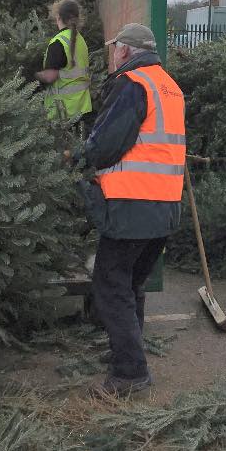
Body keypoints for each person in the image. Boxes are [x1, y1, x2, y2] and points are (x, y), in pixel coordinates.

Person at [76, 23, 185, 396]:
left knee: (110, 286)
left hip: (131, 204)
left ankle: (129, 373)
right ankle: (127, 353)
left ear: (124, 50)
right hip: (164, 205)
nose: (112, 55)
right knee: (131, 284)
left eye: (114, 49)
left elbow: (106, 143)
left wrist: (77, 157)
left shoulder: (133, 84)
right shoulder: (169, 86)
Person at [35, 0, 92, 123]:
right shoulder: (80, 40)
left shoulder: (58, 42)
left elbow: (50, 77)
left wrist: (31, 77)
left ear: (58, 17)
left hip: (63, 112)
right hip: (83, 107)